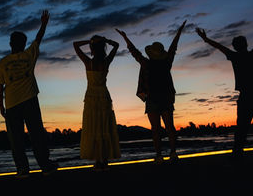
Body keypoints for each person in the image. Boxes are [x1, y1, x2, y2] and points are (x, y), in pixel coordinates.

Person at [196, 13, 253, 161]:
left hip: (247, 96)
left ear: (235, 47)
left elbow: (219, 46)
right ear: (245, 45)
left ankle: (238, 155)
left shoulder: (235, 56)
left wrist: (205, 39)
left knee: (242, 129)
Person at [0, 9, 57, 177]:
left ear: (10, 44)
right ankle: (44, 165)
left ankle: (24, 168)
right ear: (22, 44)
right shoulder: (28, 55)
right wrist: (43, 23)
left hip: (14, 103)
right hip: (28, 101)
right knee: (36, 134)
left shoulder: (4, 62)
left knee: (17, 139)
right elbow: (38, 39)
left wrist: (1, 106)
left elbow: (0, 86)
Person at [117, 21, 186, 162]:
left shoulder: (147, 63)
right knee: (169, 128)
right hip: (165, 98)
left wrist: (125, 38)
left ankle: (159, 155)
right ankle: (172, 153)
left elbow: (134, 52)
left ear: (151, 54)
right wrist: (179, 32)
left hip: (153, 99)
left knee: (156, 129)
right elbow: (173, 48)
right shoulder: (166, 63)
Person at [73, 35, 121, 170]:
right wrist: (106, 41)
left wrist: (90, 41)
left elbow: (75, 44)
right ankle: (104, 160)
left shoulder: (88, 62)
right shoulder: (106, 62)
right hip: (103, 95)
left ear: (92, 49)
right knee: (104, 126)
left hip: (91, 96)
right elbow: (116, 45)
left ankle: (99, 161)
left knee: (94, 126)